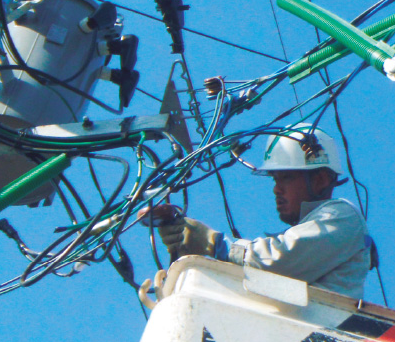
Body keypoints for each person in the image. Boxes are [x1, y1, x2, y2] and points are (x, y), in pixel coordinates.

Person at [156, 124, 371, 299]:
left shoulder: (341, 216)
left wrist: (215, 245)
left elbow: (278, 260)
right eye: (275, 179)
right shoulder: (311, 238)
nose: (276, 189)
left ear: (320, 180)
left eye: (285, 177)